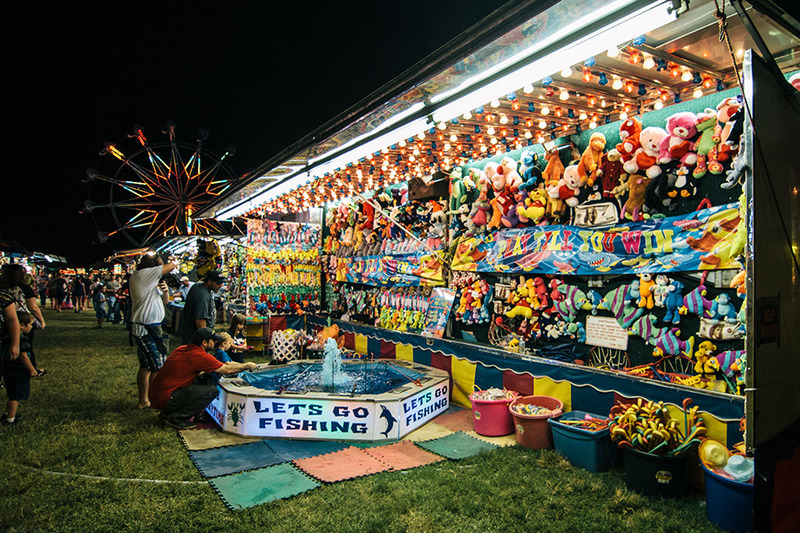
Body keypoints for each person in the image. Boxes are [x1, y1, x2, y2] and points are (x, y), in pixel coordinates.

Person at [149, 327, 258, 429]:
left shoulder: (183, 348)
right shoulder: (200, 356)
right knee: (211, 391)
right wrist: (246, 365)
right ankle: (176, 418)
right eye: (213, 340)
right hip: (166, 398)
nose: (215, 342)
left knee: (204, 379)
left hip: (158, 395)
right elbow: (226, 369)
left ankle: (168, 413)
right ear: (204, 342)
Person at [129, 253, 176, 409]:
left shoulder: (149, 281)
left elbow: (164, 302)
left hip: (152, 327)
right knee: (157, 366)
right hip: (146, 328)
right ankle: (158, 400)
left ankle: (144, 400)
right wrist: (173, 260)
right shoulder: (144, 275)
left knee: (146, 365)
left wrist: (165, 292)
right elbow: (171, 266)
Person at [2, 311, 43, 425]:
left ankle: (8, 413)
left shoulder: (7, 337)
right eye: (29, 324)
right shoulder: (22, 339)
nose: (31, 327)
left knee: (11, 394)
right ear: (21, 325)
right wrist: (32, 370)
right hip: (18, 371)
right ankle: (10, 419)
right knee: (15, 396)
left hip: (8, 370)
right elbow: (24, 357)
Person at [178, 271, 224, 345]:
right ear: (209, 282)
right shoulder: (202, 295)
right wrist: (205, 340)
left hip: (191, 335)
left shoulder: (198, 286)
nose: (221, 285)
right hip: (196, 340)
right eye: (218, 283)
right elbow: (200, 320)